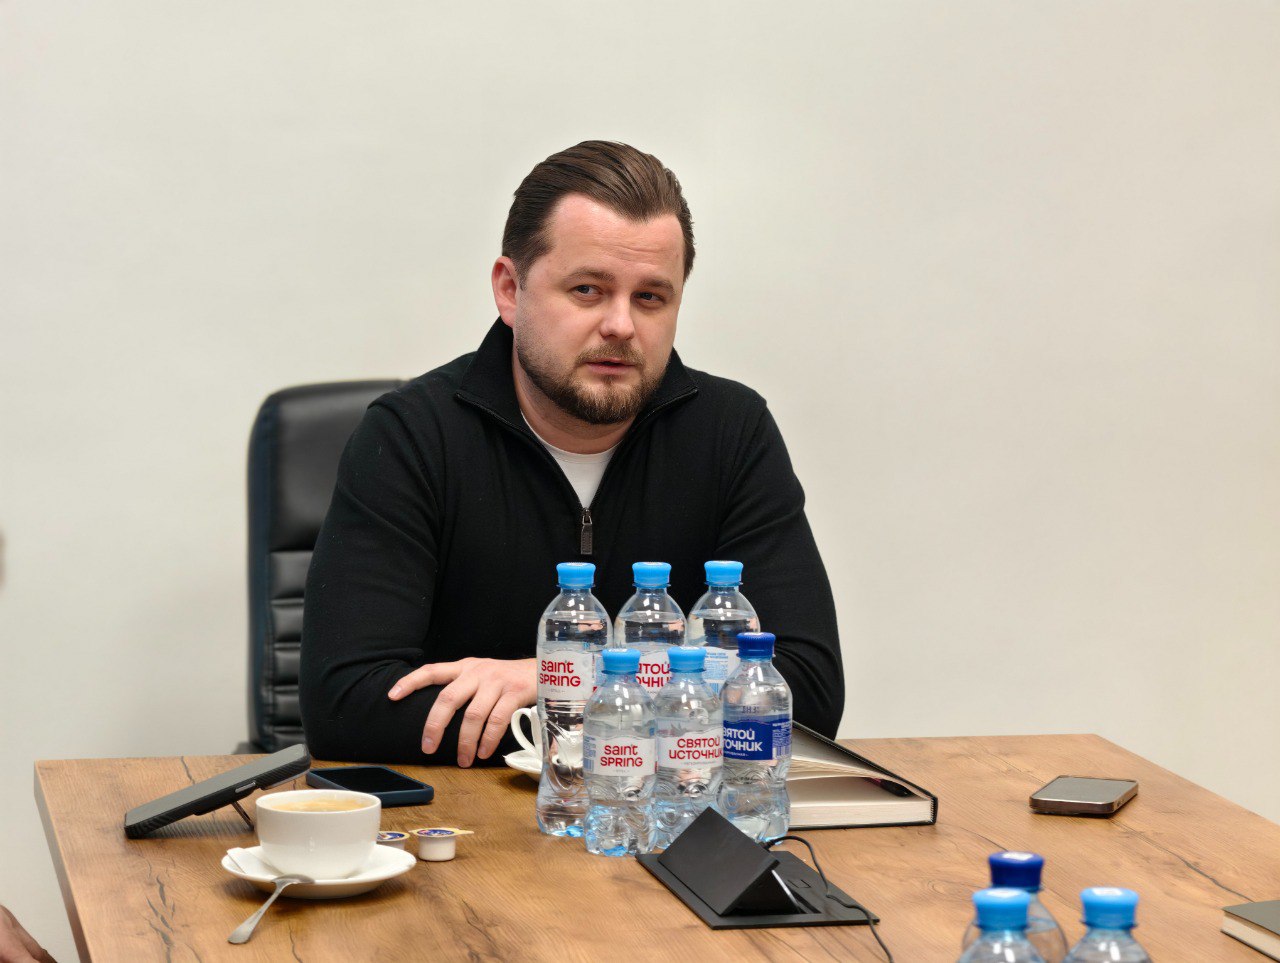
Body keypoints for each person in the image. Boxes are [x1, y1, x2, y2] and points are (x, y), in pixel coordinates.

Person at [300, 141, 843, 767]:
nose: (621, 326)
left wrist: (555, 678)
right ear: (510, 290)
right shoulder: (412, 436)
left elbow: (808, 693)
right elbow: (347, 707)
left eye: (650, 297)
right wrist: (667, 710)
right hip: (471, 818)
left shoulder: (731, 432)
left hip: (674, 811)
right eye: (587, 289)